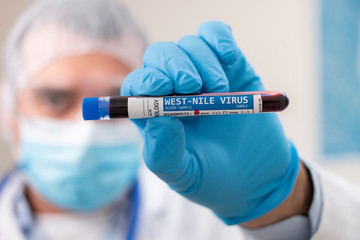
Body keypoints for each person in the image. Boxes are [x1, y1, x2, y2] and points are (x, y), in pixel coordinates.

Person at [0, 0, 359, 239]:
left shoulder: (205, 217)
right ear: (9, 110)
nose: (87, 128)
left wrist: (283, 202)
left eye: (117, 99)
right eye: (54, 98)